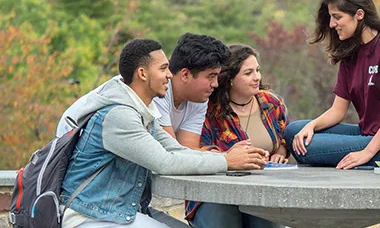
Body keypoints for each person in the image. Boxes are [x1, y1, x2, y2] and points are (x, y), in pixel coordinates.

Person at [59, 39, 269, 228]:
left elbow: (174, 148)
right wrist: (227, 162)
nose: (170, 75)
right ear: (142, 74)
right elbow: (164, 162)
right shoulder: (119, 116)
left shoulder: (142, 111)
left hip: (119, 211)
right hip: (90, 215)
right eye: (163, 69)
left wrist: (226, 157)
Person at [284, 0, 380, 169]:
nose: (332, 24)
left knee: (310, 147)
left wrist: (367, 152)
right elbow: (337, 110)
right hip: (367, 134)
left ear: (359, 14)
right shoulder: (351, 51)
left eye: (337, 17)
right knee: (295, 132)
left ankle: (364, 161)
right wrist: (312, 126)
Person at [57, 33, 223, 150]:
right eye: (210, 76)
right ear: (185, 74)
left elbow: (186, 150)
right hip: (76, 147)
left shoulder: (198, 97)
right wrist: (224, 159)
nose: (215, 84)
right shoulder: (154, 88)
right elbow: (171, 155)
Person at [187, 44, 288, 228]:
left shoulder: (271, 102)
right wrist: (228, 157)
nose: (257, 77)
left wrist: (280, 152)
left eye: (257, 70)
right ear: (231, 78)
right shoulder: (209, 110)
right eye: (248, 73)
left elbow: (284, 135)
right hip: (216, 193)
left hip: (262, 189)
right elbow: (197, 150)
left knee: (268, 220)